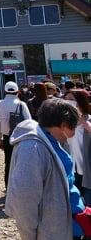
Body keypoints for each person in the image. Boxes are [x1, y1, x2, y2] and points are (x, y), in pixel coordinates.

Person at [6, 99, 88, 240]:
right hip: (52, 230)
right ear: (63, 125)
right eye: (73, 128)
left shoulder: (48, 140)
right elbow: (24, 198)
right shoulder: (33, 147)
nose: (73, 134)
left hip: (65, 225)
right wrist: (30, 234)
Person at [0, 81, 31, 190]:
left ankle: (8, 187)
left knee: (8, 163)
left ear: (5, 91)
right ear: (17, 92)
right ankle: (21, 187)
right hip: (20, 137)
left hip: (6, 137)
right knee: (21, 162)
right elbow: (29, 121)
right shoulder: (21, 104)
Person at [64, 90, 91, 203]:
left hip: (87, 172)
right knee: (75, 207)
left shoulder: (88, 121)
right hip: (71, 172)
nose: (67, 102)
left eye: (71, 99)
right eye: (66, 99)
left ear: (79, 102)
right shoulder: (64, 123)